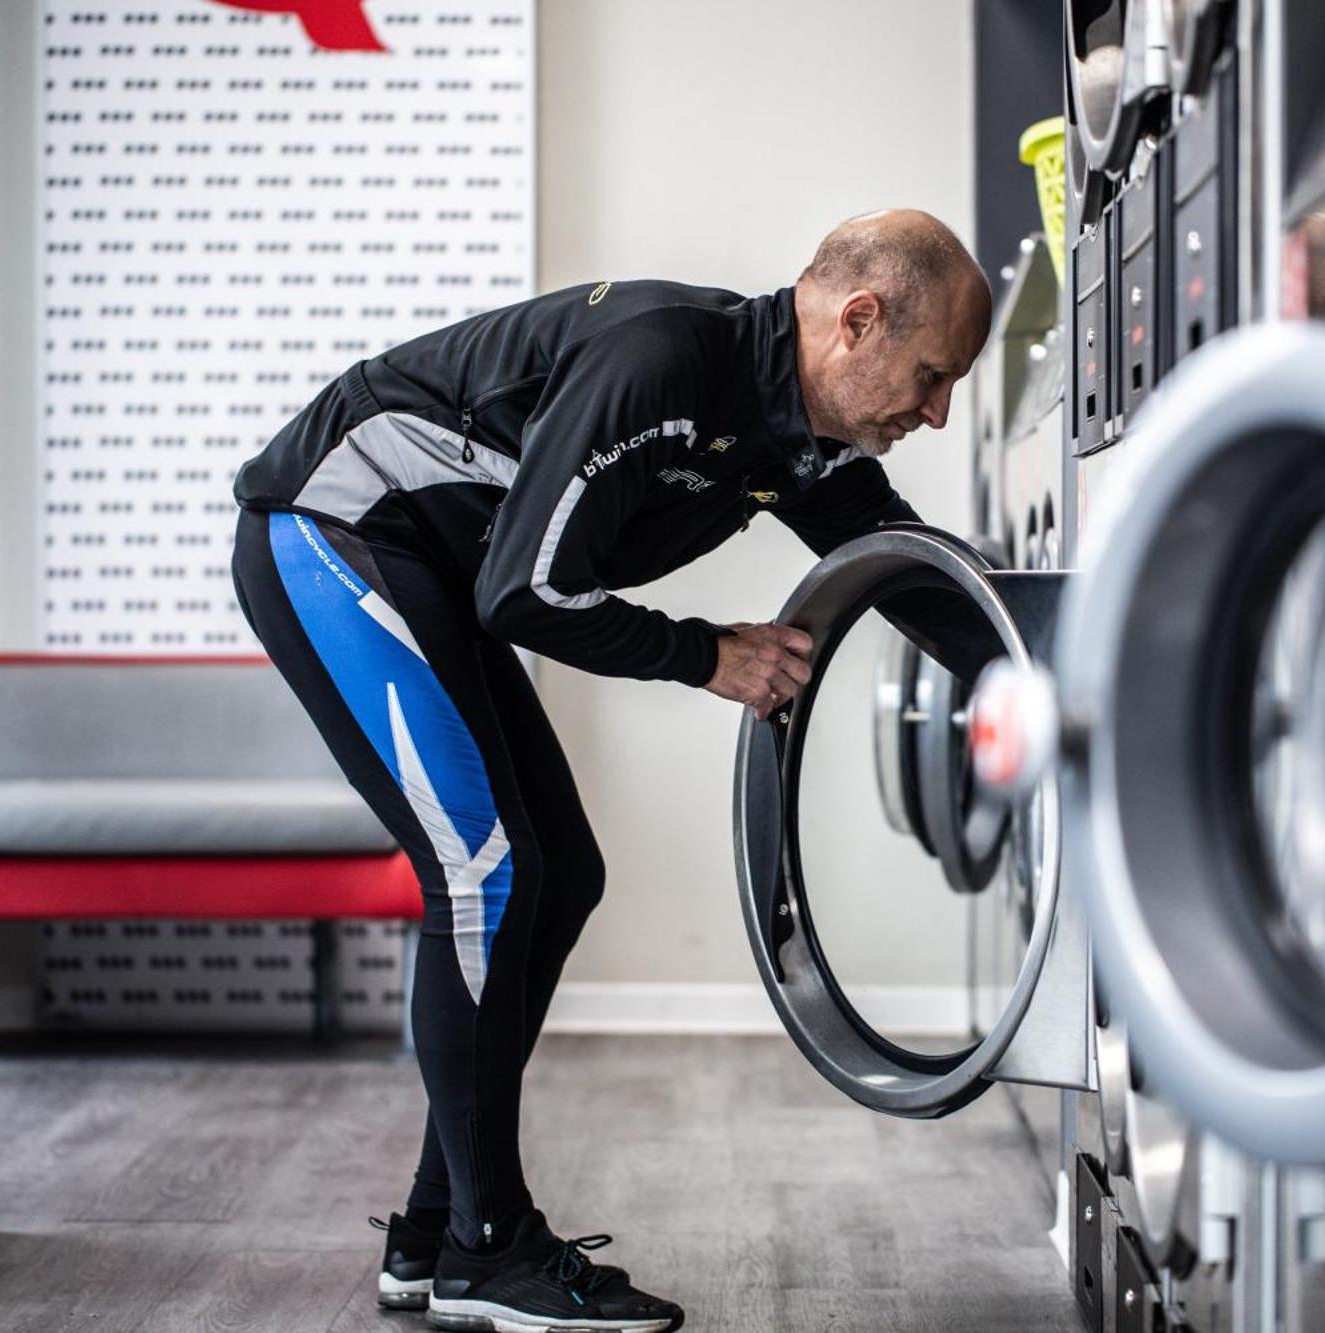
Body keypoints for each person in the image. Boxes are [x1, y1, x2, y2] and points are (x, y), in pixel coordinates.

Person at [229, 209, 991, 1332]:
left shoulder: (799, 442)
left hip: (435, 567)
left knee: (560, 872)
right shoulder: (659, 362)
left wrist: (1041, 670)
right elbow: (524, 595)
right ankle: (487, 1249)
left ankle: (440, 1228)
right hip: (334, 529)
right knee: (487, 872)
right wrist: (707, 655)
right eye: (930, 376)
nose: (934, 410)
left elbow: (911, 577)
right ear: (857, 321)